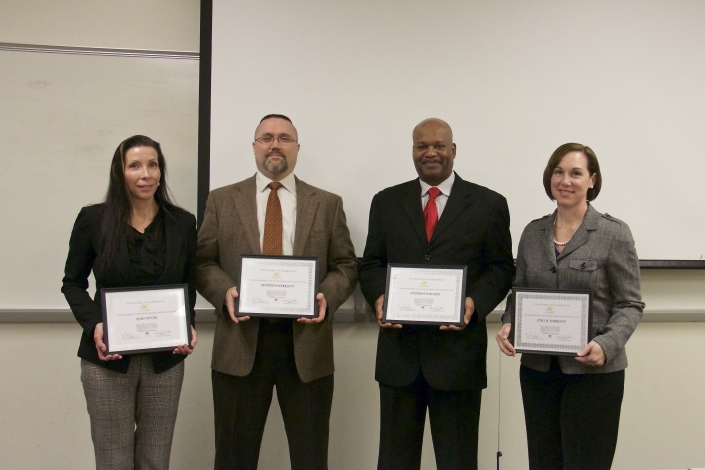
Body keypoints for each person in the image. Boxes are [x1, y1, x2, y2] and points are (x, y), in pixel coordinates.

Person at [195, 114, 358, 470]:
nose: (275, 144)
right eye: (266, 137)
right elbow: (202, 261)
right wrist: (225, 292)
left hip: (306, 344)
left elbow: (346, 264)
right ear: (254, 146)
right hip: (240, 344)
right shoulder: (221, 200)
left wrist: (326, 297)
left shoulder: (327, 203)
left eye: (284, 138)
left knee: (310, 456)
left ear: (297, 148)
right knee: (234, 456)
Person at [358, 118, 515, 470]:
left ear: (453, 150)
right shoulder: (386, 202)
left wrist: (474, 304)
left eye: (439, 145)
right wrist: (380, 299)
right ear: (413, 152)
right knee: (395, 462)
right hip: (400, 359)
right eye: (421, 146)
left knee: (458, 461)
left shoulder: (489, 204)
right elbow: (370, 264)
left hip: (458, 360)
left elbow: (502, 268)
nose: (430, 152)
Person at [495, 143, 644, 470]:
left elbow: (630, 304)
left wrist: (606, 345)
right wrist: (509, 323)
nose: (565, 180)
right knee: (543, 462)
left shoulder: (613, 233)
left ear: (592, 180)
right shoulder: (532, 233)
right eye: (558, 172)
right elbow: (519, 291)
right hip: (538, 373)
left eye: (575, 173)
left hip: (594, 373)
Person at [62, 135, 198, 470]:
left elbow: (188, 283)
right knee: (113, 460)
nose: (145, 174)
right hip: (107, 360)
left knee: (155, 459)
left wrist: (187, 324)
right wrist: (95, 324)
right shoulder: (93, 220)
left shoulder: (182, 223)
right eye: (134, 165)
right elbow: (73, 283)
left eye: (153, 165)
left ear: (161, 172)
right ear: (119, 172)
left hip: (165, 362)